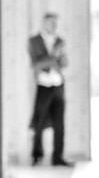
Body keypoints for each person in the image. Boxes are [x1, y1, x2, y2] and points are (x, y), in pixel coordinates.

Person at [28, 12, 69, 166]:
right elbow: (36, 65)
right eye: (51, 23)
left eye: (56, 23)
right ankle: (36, 155)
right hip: (43, 85)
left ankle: (58, 156)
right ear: (44, 23)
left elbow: (64, 63)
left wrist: (54, 60)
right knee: (39, 121)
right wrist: (54, 57)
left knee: (60, 123)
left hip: (58, 84)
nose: (54, 26)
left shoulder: (60, 41)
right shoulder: (34, 41)